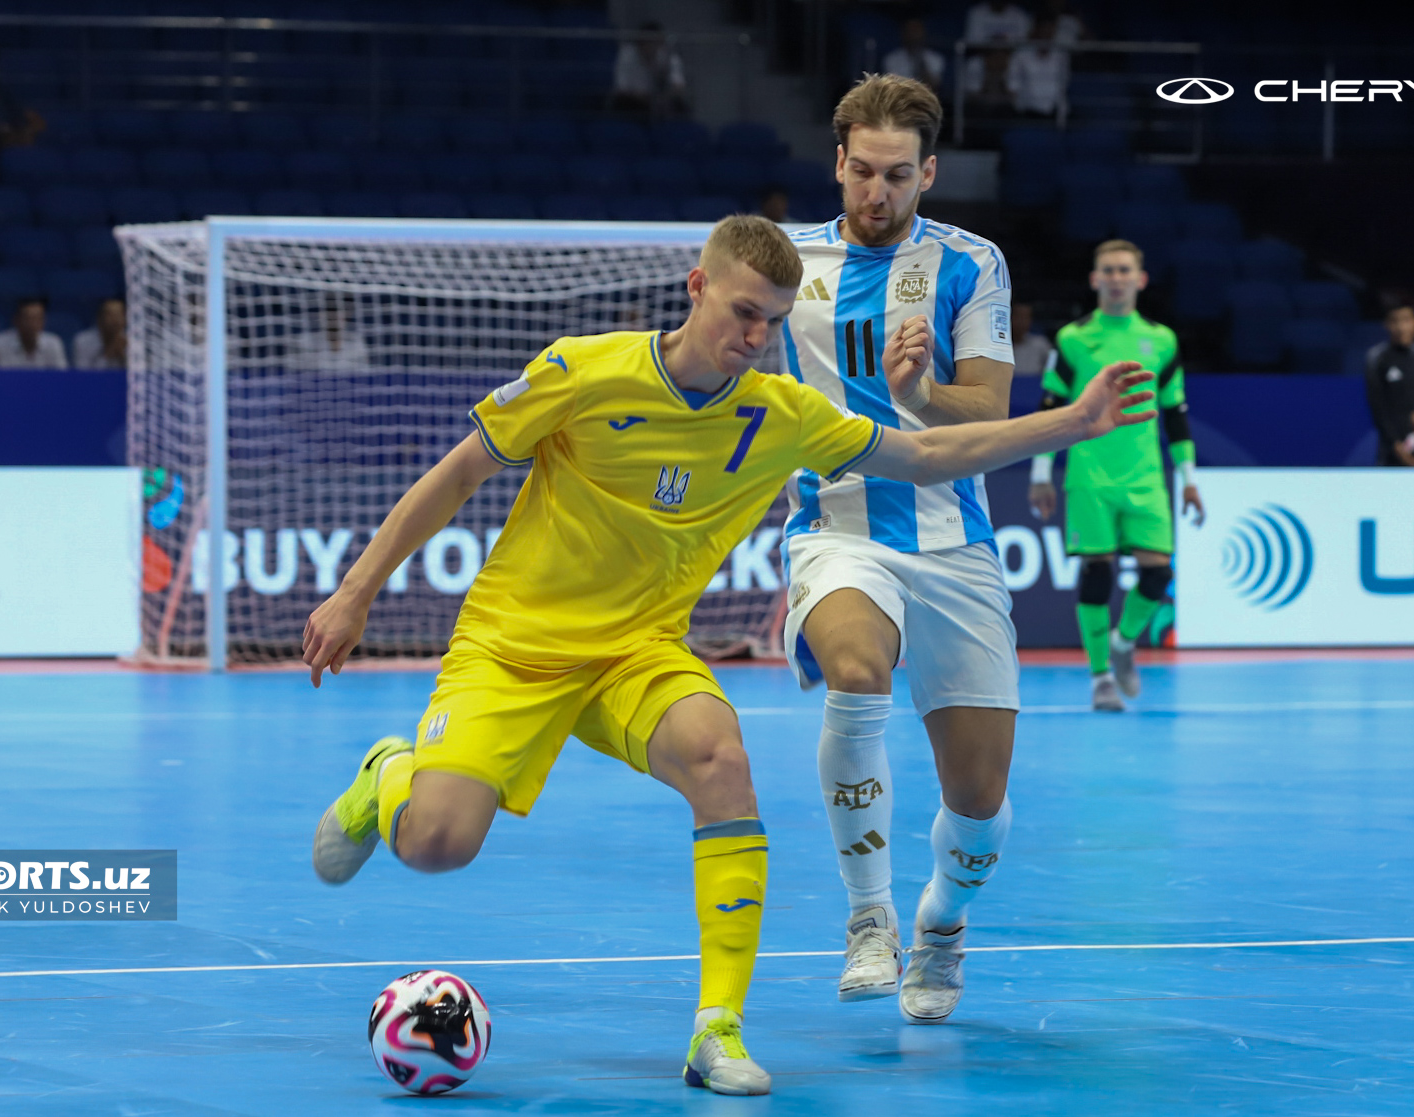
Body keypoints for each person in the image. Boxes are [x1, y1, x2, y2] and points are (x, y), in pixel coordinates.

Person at [300, 215, 1153, 1094]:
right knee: (437, 845)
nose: (757, 337)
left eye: (775, 321)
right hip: (513, 650)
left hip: (637, 654)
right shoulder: (583, 369)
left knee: (723, 761)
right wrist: (356, 589)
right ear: (696, 288)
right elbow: (457, 472)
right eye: (744, 312)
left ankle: (717, 1029)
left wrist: (1074, 421)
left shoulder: (781, 414)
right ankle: (388, 775)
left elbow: (927, 451)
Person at [778, 73, 1020, 1023]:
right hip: (837, 529)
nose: (875, 194)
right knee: (853, 668)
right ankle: (867, 918)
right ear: (837, 163)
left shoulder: (970, 264)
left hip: (952, 539)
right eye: (861, 172)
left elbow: (990, 409)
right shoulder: (786, 261)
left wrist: (919, 393)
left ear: (929, 174)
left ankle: (940, 926)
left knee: (979, 803)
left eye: (897, 177)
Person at [1028, 239, 1201, 712]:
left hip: (1145, 476)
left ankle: (1125, 644)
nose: (1117, 277)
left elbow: (1177, 414)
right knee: (1097, 573)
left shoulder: (1162, 341)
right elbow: (1050, 407)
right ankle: (1100, 676)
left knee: (1157, 572)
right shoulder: (1072, 339)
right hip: (1090, 473)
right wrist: (1041, 473)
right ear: (1095, 279)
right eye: (1108, 270)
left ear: (1141, 279)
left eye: (1125, 270)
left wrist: (1189, 478)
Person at [1364, 304, 1414, 466]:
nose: (1401, 327)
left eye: (1406, 320)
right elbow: (1378, 406)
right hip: (1392, 447)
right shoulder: (1377, 358)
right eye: (1394, 321)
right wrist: (1396, 445)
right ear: (1386, 324)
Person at [612, 21, 689, 119]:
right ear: (640, 43)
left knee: (682, 109)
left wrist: (665, 95)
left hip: (661, 100)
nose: (653, 47)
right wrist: (642, 97)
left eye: (657, 42)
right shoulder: (627, 54)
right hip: (633, 101)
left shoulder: (668, 55)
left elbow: (678, 85)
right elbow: (621, 88)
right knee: (625, 106)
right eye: (649, 42)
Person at [1007, 17, 1069, 118]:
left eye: (1050, 31)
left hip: (1054, 112)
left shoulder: (1061, 54)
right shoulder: (1021, 54)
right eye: (1043, 30)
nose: (1046, 35)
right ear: (1035, 31)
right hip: (1027, 112)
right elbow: (1013, 86)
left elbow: (1063, 82)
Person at [0, 297, 68, 369]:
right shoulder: (0, 343)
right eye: (27, 319)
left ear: (43, 322)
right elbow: (0, 378)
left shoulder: (53, 343)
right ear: (16, 320)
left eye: (37, 319)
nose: (32, 324)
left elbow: (61, 377)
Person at [881, 19, 947, 97]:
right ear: (904, 34)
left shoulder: (936, 58)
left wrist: (920, 62)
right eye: (911, 31)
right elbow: (893, 88)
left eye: (917, 31)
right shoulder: (891, 59)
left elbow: (934, 87)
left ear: (924, 33)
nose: (914, 36)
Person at [72, 297, 127, 370]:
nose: (115, 320)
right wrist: (109, 353)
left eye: (119, 315)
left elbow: (139, 373)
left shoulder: (132, 341)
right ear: (99, 318)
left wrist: (123, 356)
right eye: (110, 315)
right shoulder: (82, 341)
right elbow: (82, 375)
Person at [1010, 301, 1052, 375]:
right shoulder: (999, 346)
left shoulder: (1041, 344)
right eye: (1018, 316)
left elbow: (1053, 370)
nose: (1021, 322)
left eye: (1025, 317)